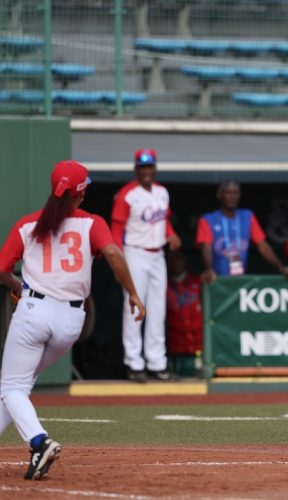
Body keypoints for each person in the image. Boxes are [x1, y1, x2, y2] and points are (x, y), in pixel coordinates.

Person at [0, 160, 145, 480]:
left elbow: (1, 270)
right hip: (70, 321)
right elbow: (113, 254)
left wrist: (19, 287)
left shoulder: (28, 224)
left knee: (12, 386)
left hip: (35, 311)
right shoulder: (92, 223)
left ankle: (39, 442)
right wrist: (133, 293)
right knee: (18, 387)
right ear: (82, 192)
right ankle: (37, 442)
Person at [111, 148, 181, 382]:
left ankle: (156, 362)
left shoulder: (162, 192)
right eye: (142, 167)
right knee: (134, 308)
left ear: (154, 168)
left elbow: (164, 221)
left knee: (158, 309)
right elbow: (116, 230)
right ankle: (133, 362)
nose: (146, 171)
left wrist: (171, 234)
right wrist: (117, 263)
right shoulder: (127, 195)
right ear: (136, 169)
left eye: (149, 166)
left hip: (157, 254)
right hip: (134, 254)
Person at [195, 180, 288, 284]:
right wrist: (209, 269)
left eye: (235, 193)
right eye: (228, 193)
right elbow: (206, 247)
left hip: (240, 280)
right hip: (218, 281)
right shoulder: (208, 219)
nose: (232, 197)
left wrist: (282, 268)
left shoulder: (247, 216)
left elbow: (263, 247)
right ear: (220, 195)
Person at [165, 250, 202, 377]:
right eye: (172, 259)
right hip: (175, 349)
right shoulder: (163, 284)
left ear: (184, 260)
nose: (176, 262)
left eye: (178, 258)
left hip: (198, 347)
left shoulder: (198, 282)